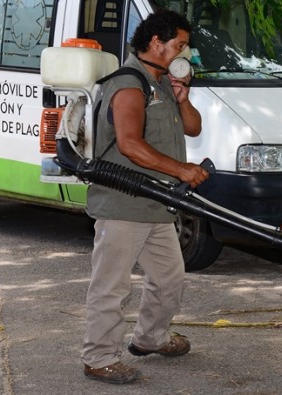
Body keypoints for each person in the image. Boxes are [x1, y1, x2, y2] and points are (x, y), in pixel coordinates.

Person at [80, 10, 209, 385]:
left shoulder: (162, 82)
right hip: (123, 202)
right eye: (180, 45)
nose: (185, 53)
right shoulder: (128, 84)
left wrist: (183, 98)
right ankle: (99, 357)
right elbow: (130, 144)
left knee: (170, 277)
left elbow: (194, 126)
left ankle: (150, 338)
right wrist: (182, 170)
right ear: (156, 44)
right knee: (110, 285)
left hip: (155, 202)